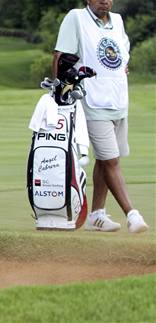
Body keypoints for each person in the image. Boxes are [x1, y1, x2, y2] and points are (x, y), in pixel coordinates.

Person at [53, 0, 148, 233]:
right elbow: (60, 56)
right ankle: (132, 215)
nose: (104, 0)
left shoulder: (117, 20)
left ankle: (96, 215)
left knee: (106, 160)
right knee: (111, 160)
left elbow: (122, 54)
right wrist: (60, 93)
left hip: (116, 99)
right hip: (91, 100)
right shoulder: (76, 18)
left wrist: (123, 65)